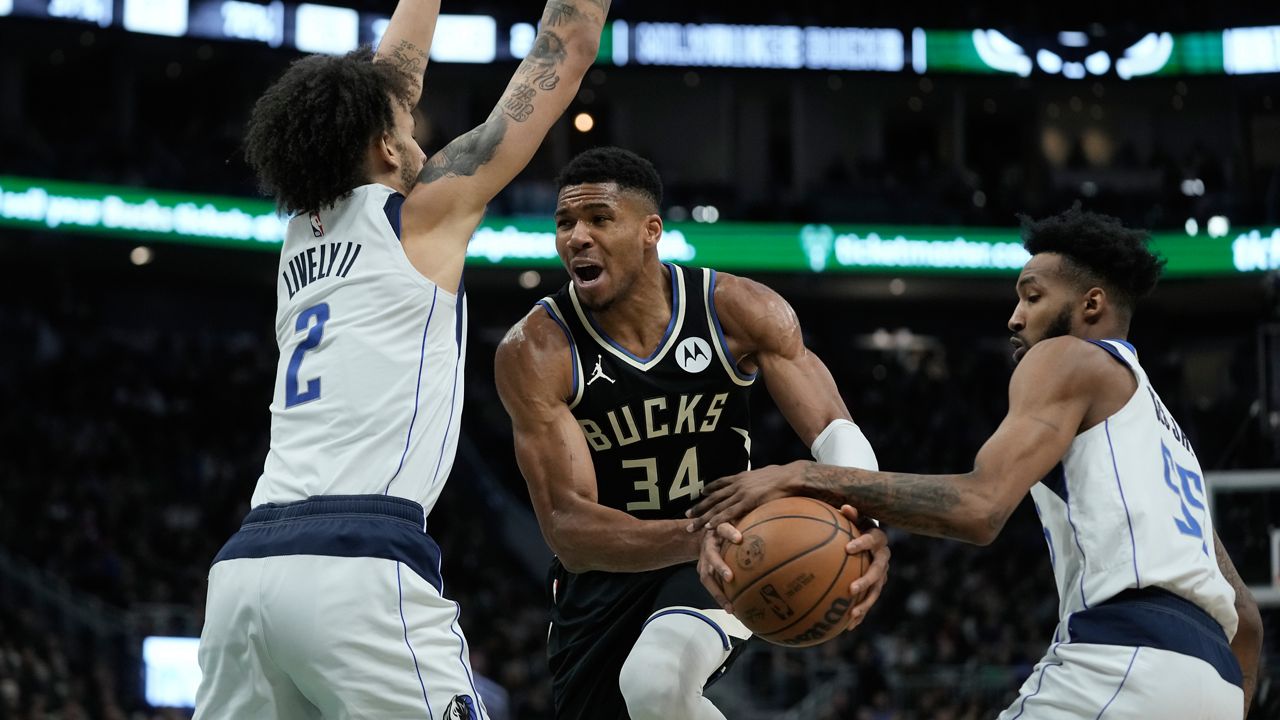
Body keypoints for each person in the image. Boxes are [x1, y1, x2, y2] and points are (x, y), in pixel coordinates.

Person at [194, 0, 612, 716]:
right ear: (387, 150)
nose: (420, 133)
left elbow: (390, 80)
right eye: (409, 127)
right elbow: (566, 45)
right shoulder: (424, 215)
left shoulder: (300, 231)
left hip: (245, 575)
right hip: (356, 567)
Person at [691, 208, 1264, 719]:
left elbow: (979, 508)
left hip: (1123, 659)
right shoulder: (1168, 440)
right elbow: (1246, 618)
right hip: (1210, 683)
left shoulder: (1067, 358)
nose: (1015, 318)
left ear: (1091, 304)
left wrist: (803, 473)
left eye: (1032, 296)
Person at [493, 147, 891, 720]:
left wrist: (868, 521)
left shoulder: (737, 308)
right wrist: (694, 536)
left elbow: (834, 429)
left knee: (657, 682)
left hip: (729, 557)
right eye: (565, 223)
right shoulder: (536, 349)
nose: (576, 237)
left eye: (599, 219)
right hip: (612, 566)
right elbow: (569, 528)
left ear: (650, 230)